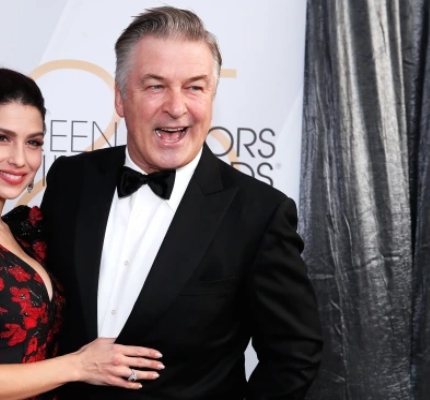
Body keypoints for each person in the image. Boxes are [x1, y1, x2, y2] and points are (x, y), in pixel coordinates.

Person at [40, 6, 324, 399]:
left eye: (194, 87)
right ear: (120, 98)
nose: (176, 107)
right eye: (156, 86)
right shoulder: (71, 180)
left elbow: (295, 354)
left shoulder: (259, 214)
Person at [0, 67, 163, 400]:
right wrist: (81, 365)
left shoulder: (24, 232)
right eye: (1, 138)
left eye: (33, 142)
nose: (19, 159)